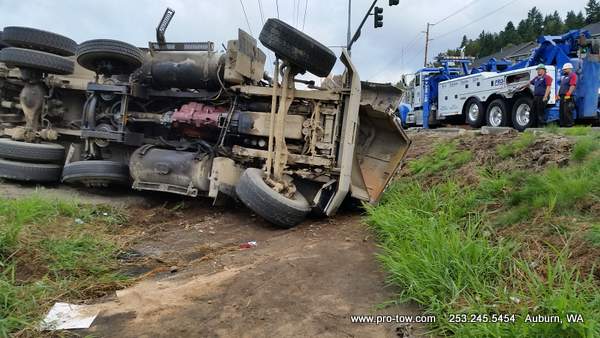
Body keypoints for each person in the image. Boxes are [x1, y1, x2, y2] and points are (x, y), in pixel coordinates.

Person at [556, 63, 577, 127]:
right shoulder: (564, 77)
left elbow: (572, 85)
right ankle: (562, 124)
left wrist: (568, 94)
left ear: (570, 68)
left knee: (567, 110)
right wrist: (558, 95)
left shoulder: (573, 75)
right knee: (562, 111)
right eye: (563, 69)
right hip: (562, 96)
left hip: (568, 96)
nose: (564, 70)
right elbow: (562, 86)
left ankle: (570, 124)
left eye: (565, 69)